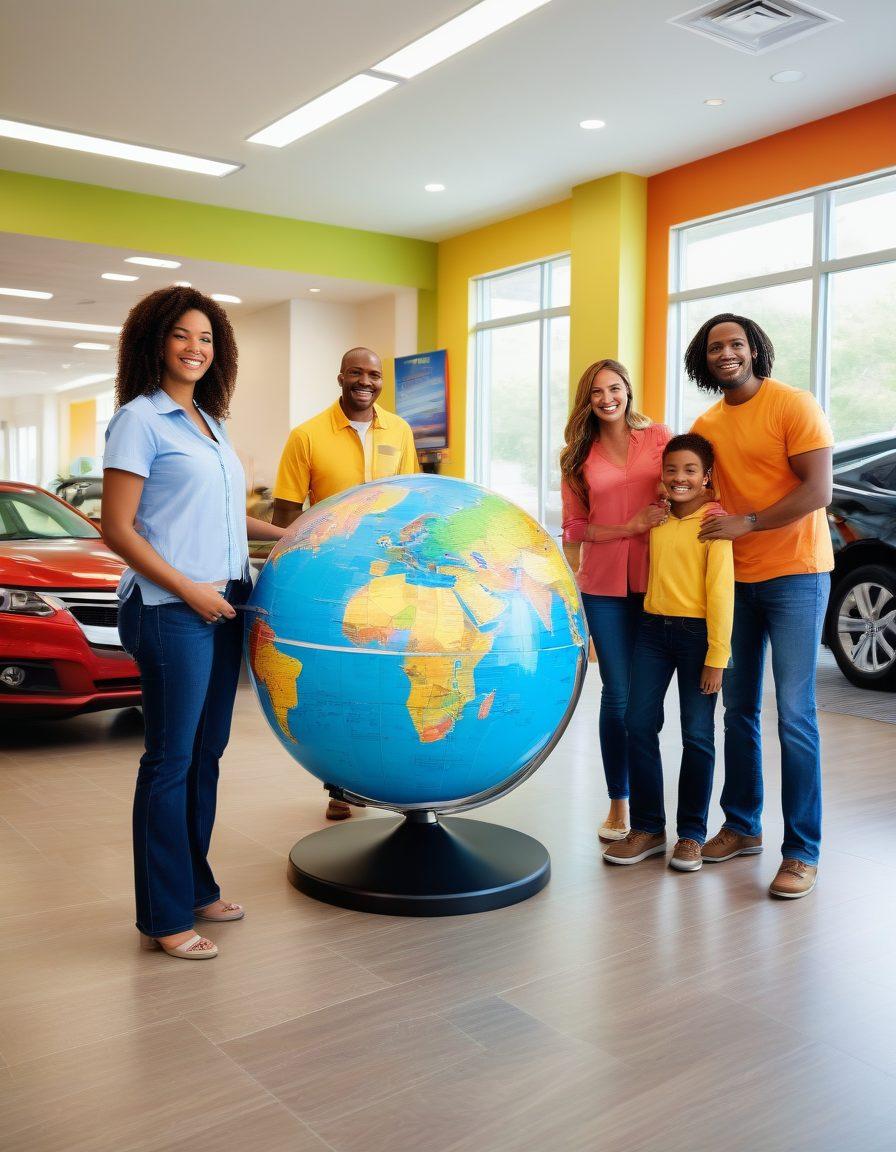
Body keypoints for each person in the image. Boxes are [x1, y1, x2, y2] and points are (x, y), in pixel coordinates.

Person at [103, 286, 287, 959]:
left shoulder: (211, 424)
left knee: (206, 755)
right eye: (182, 335)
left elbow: (222, 516)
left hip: (225, 603)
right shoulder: (138, 420)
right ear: (156, 341)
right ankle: (162, 914)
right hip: (170, 609)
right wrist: (190, 590)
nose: (195, 348)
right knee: (170, 761)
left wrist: (290, 534)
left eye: (206, 338)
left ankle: (195, 883)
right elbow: (118, 530)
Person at [688, 313, 833, 899]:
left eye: (736, 343)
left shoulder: (793, 405)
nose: (727, 353)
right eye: (716, 346)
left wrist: (747, 522)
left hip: (797, 574)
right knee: (737, 710)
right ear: (705, 359)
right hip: (736, 584)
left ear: (755, 351)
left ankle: (801, 851)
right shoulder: (706, 423)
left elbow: (818, 490)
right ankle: (743, 826)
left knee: (795, 715)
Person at [272, 346, 418, 819]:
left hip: (389, 571)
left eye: (373, 375)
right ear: (340, 378)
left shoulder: (399, 430)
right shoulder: (306, 436)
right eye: (356, 372)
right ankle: (339, 783)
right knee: (334, 672)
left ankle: (393, 767)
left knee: (392, 666)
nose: (365, 381)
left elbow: (411, 498)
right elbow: (287, 514)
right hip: (330, 575)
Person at [603, 434, 733, 871]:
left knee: (697, 734)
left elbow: (721, 595)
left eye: (690, 470)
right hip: (652, 632)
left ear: (706, 477)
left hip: (699, 638)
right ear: (662, 476)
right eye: (672, 470)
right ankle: (648, 827)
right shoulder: (657, 521)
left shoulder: (715, 525)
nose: (679, 477)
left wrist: (718, 655)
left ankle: (692, 834)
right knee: (637, 723)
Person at [560, 359, 671, 841]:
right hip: (602, 586)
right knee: (619, 695)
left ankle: (655, 810)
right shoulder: (575, 457)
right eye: (597, 392)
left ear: (628, 389)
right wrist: (629, 527)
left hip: (658, 581)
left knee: (647, 702)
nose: (608, 398)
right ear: (587, 400)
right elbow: (574, 528)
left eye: (615, 388)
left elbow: (685, 486)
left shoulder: (660, 437)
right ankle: (619, 802)